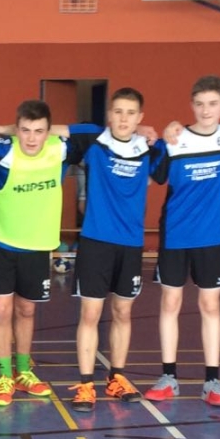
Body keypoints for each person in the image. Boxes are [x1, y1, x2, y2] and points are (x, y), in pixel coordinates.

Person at [143, 76, 220, 406]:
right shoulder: (175, 140)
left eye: (213, 104)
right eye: (200, 104)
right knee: (170, 304)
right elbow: (155, 175)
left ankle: (212, 381)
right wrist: (159, 137)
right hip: (176, 234)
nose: (206, 110)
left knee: (210, 306)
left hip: (212, 236)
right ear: (191, 105)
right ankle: (168, 378)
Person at [63, 89, 158, 413]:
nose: (123, 118)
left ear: (140, 117)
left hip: (130, 244)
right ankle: (86, 383)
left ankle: (116, 378)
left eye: (130, 113)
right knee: (90, 315)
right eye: (118, 111)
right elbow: (49, 128)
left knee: (122, 313)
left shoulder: (149, 149)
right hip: (96, 242)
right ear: (109, 114)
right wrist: (1, 128)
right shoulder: (94, 141)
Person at [0, 99, 65, 407]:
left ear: (49, 131)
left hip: (37, 246)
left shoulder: (60, 149)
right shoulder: (3, 152)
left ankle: (24, 372)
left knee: (27, 311)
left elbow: (94, 130)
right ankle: (4, 375)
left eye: (39, 131)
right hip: (0, 243)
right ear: (17, 130)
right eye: (25, 130)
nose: (31, 138)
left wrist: (143, 129)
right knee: (2, 311)